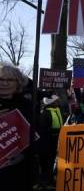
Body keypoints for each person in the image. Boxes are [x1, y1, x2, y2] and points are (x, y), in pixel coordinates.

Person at [0, 63, 32, 191]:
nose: (5, 83)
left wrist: (24, 153)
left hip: (18, 169)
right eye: (1, 79)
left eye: (10, 80)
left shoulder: (26, 105)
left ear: (17, 83)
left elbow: (34, 135)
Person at [37, 94, 65, 189]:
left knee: (51, 160)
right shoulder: (45, 113)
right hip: (46, 143)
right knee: (47, 162)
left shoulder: (57, 111)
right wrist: (56, 132)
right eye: (56, 101)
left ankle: (49, 179)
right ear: (51, 103)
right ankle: (45, 181)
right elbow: (42, 129)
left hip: (54, 142)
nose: (58, 102)